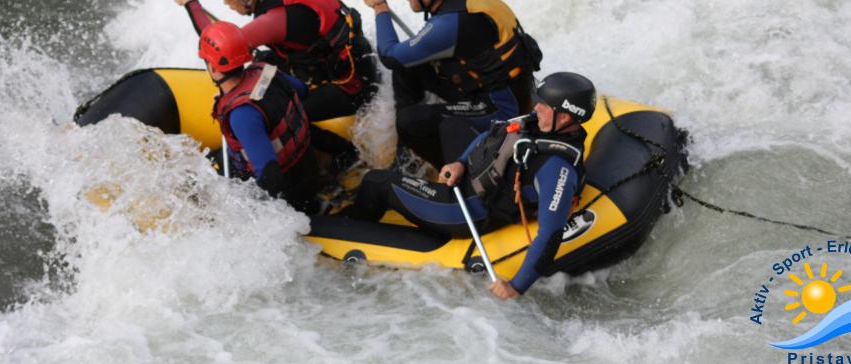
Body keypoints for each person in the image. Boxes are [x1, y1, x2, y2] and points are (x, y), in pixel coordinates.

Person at [344, 72, 596, 299]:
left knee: (377, 181)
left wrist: (516, 286)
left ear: (563, 117)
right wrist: (460, 163)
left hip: (466, 208)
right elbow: (494, 134)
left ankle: (346, 230)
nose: (536, 106)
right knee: (452, 124)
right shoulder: (540, 123)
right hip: (474, 176)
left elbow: (551, 233)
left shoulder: (556, 168)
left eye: (544, 105)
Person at [176, 0, 378, 173]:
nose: (226, 4)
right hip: (357, 63)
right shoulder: (277, 13)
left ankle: (345, 154)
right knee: (264, 59)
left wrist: (190, 4)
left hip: (353, 88)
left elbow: (221, 47)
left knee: (284, 113)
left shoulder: (274, 20)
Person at [362, 0, 543, 169]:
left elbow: (389, 56)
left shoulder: (450, 24)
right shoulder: (466, 7)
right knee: (407, 68)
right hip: (497, 88)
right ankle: (407, 159)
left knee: (409, 121)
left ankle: (455, 173)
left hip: (501, 110)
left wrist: (380, 7)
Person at [199, 21, 324, 214]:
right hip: (308, 167)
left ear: (213, 69)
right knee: (214, 157)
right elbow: (302, 90)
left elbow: (270, 176)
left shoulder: (242, 115)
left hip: (291, 195)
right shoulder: (264, 70)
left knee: (204, 174)